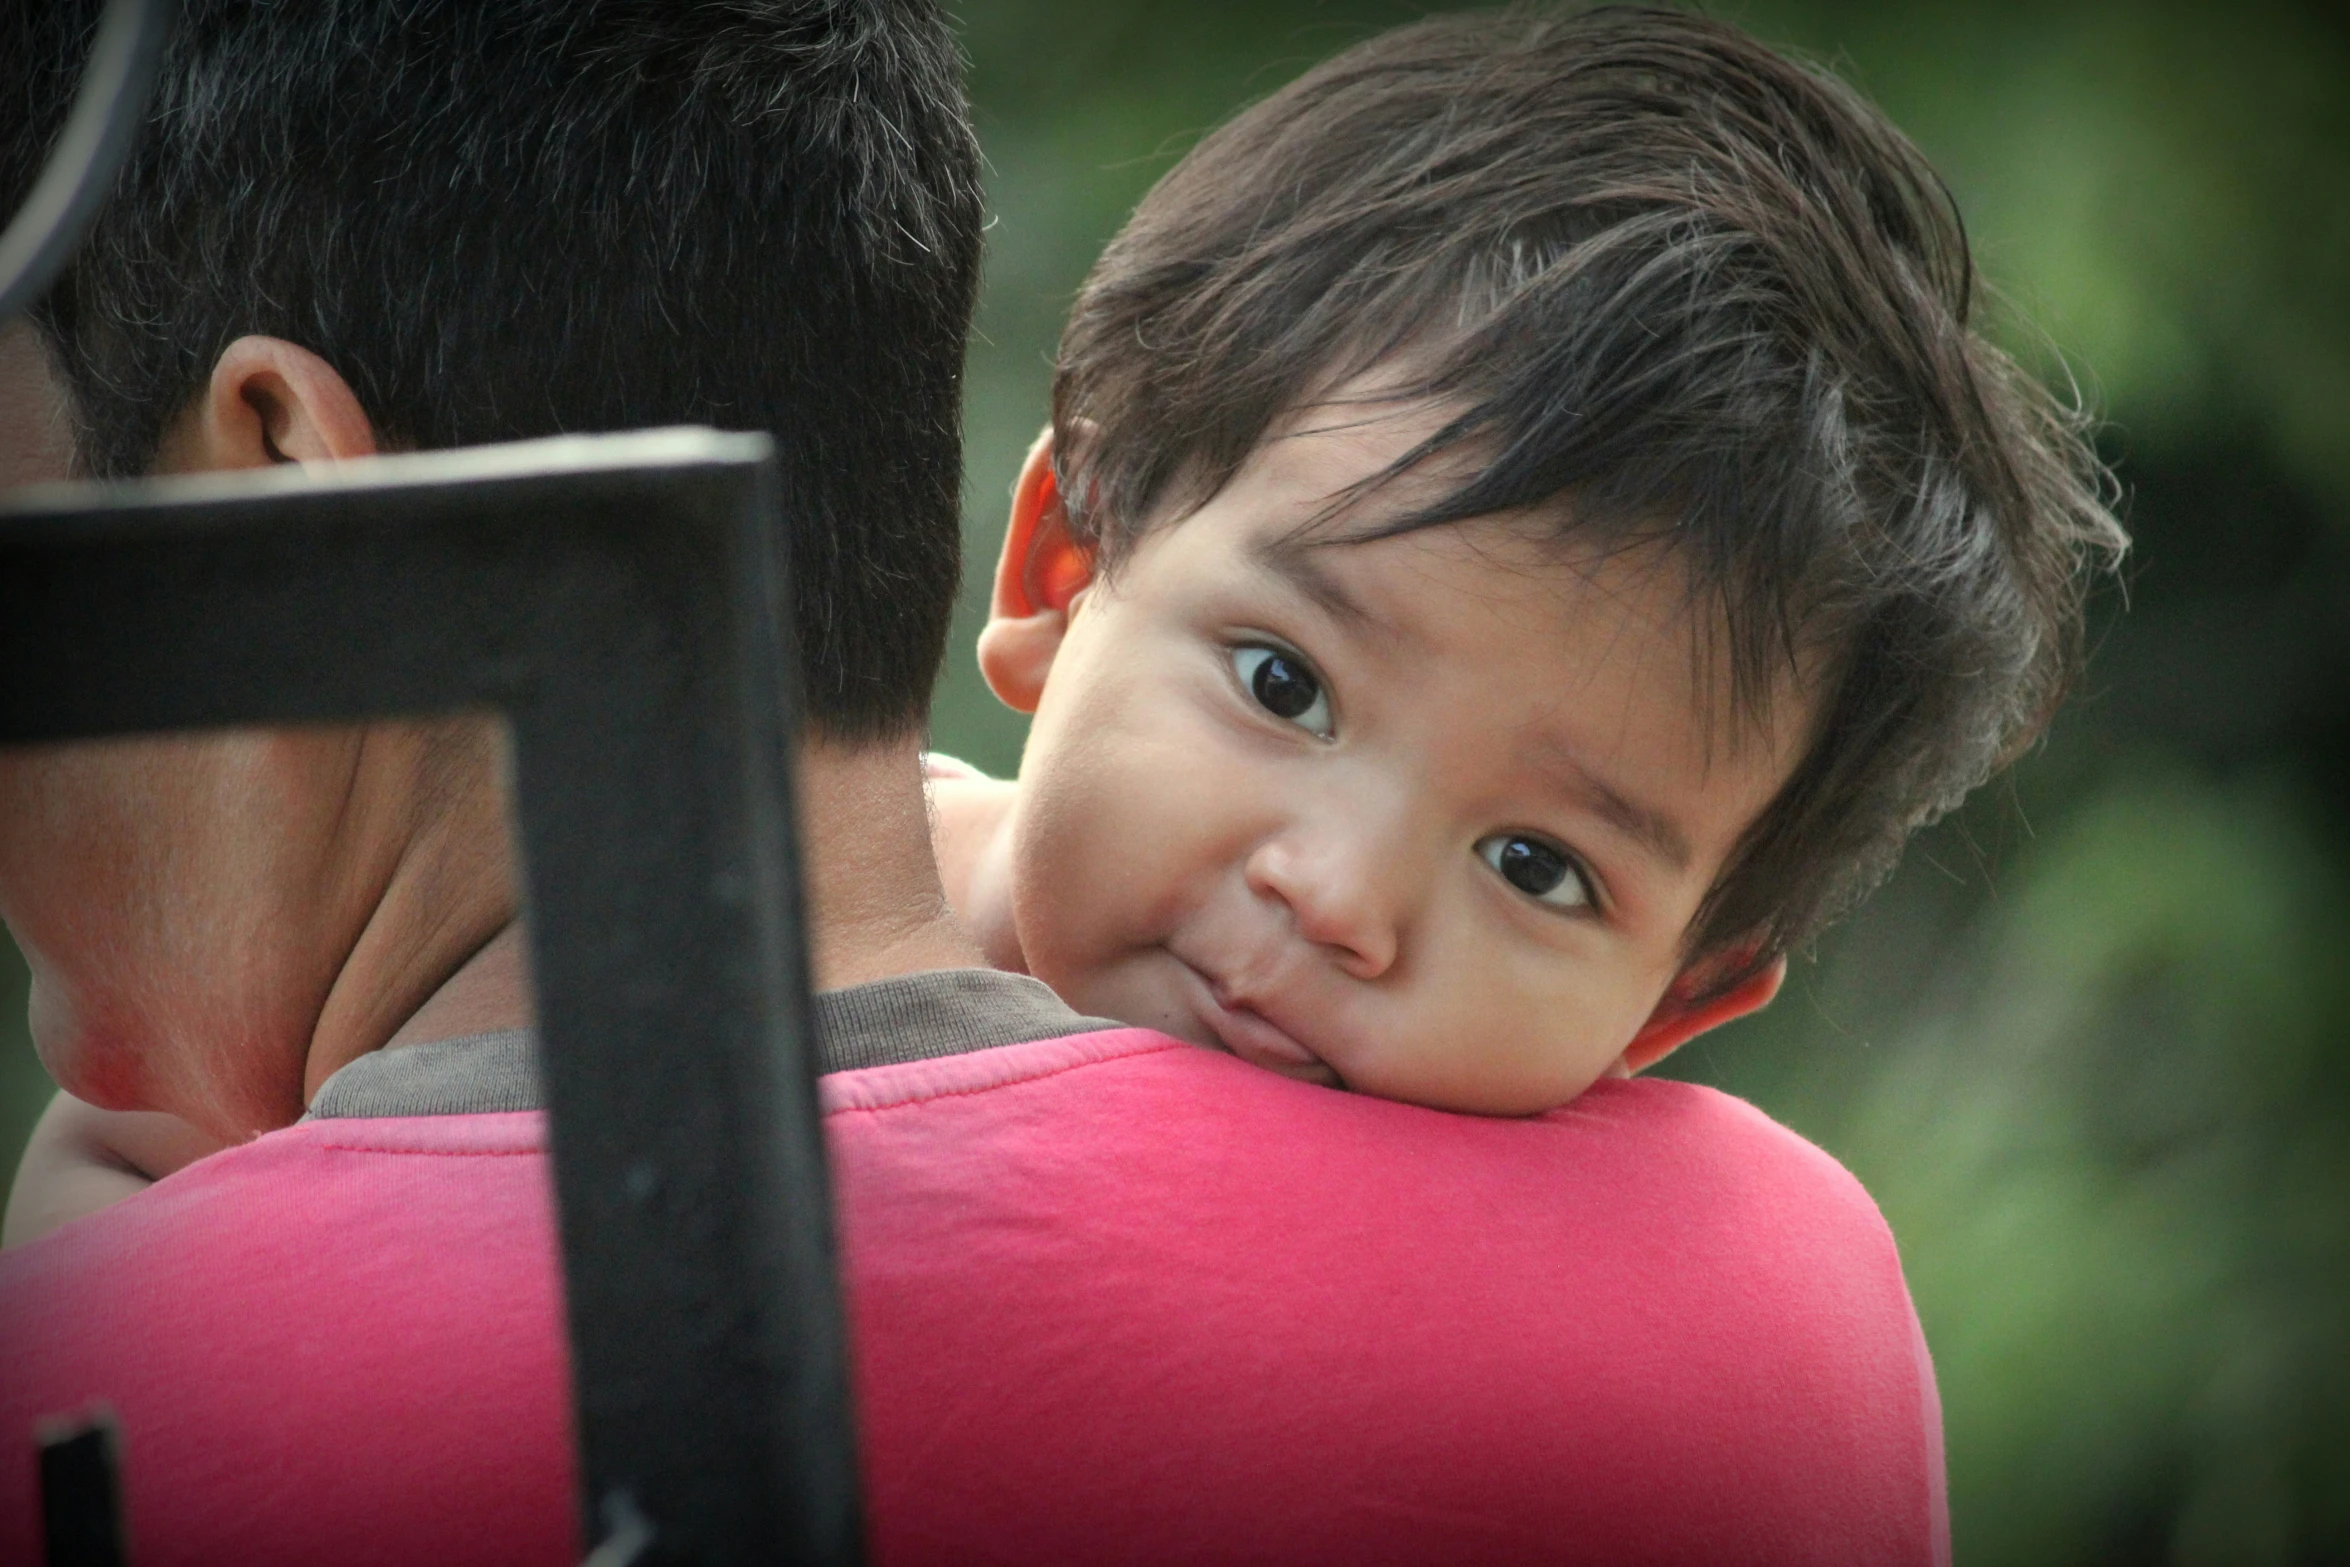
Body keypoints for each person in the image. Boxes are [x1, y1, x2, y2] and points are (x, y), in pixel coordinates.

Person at [2, 4, 1966, 1562]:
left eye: (1536, 867)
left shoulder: (162, 1409)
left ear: (1677, 1009)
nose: (1335, 895)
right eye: (1282, 681)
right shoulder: (1750, 1336)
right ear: (1054, 571)